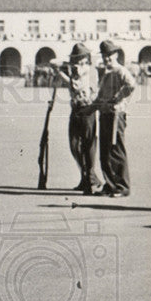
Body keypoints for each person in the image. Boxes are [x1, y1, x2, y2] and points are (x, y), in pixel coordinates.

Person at [49, 43, 102, 194]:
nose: (78, 61)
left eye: (81, 58)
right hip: (75, 108)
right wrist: (62, 69)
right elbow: (54, 62)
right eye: (76, 59)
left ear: (86, 58)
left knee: (88, 145)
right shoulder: (75, 69)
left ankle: (90, 179)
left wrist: (61, 73)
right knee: (74, 145)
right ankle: (85, 176)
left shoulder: (90, 70)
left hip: (87, 109)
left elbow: (75, 86)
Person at [94, 40, 135, 197]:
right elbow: (101, 94)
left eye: (109, 55)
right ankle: (110, 185)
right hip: (104, 114)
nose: (107, 58)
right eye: (104, 56)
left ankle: (122, 186)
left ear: (116, 55)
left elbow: (131, 86)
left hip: (116, 115)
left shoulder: (120, 70)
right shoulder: (106, 71)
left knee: (116, 150)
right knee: (105, 151)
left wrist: (118, 98)